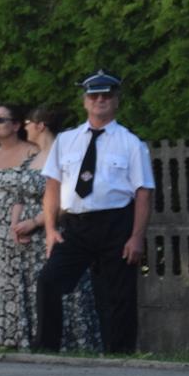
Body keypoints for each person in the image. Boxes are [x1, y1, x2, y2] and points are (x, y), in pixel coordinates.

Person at [35, 71, 154, 354]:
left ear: (116, 101)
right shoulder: (66, 140)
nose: (100, 100)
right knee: (49, 281)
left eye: (106, 95)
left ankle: (119, 354)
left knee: (119, 295)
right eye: (94, 95)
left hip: (115, 223)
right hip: (76, 225)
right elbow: (53, 186)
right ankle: (46, 349)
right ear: (85, 101)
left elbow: (144, 192)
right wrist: (51, 230)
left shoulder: (131, 143)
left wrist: (136, 237)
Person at [20, 107, 102, 352]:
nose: (25, 126)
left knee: (73, 289)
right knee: (46, 283)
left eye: (28, 121)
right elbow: (30, 192)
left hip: (66, 224)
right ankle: (45, 342)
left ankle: (81, 342)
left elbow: (68, 193)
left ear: (41, 124)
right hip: (41, 229)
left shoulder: (66, 148)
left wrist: (39, 222)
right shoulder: (32, 156)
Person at [0, 103, 43, 348]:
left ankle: (34, 337)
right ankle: (5, 338)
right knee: (3, 284)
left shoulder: (33, 152)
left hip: (29, 227)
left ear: (17, 125)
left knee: (29, 281)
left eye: (1, 119)